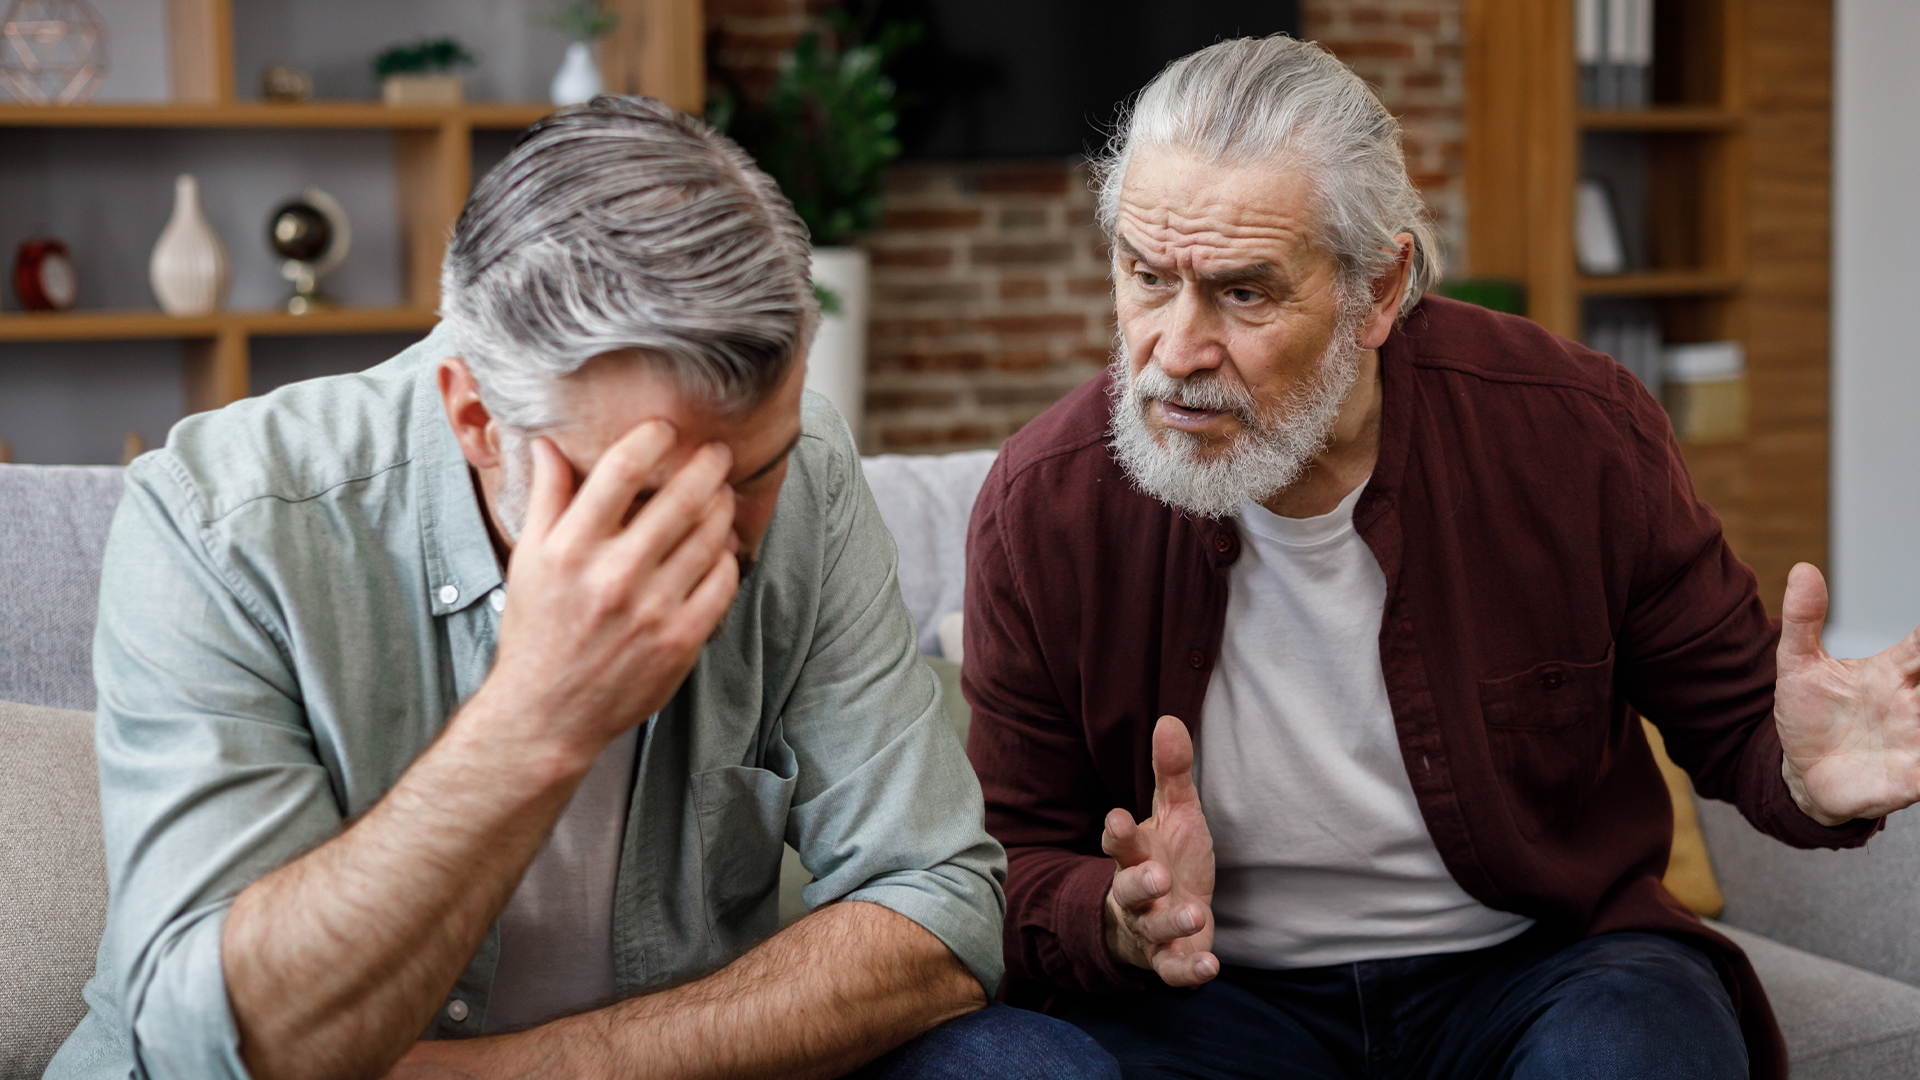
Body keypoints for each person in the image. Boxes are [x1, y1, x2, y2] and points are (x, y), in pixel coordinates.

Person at [46, 97, 1116, 1080]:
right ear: (473, 416)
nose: (714, 536)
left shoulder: (815, 473)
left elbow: (939, 909)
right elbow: (212, 1050)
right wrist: (537, 719)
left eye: (754, 472)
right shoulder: (223, 519)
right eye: (644, 484)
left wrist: (530, 1073)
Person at [962, 36, 1920, 1080]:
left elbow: (1735, 717)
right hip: (1210, 1002)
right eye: (1147, 277)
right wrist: (1113, 919)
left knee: (1634, 1049)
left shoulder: (1575, 431)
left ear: (1381, 288)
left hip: (1542, 966)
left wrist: (1807, 774)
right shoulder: (1043, 505)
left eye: (1242, 294)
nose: (1176, 351)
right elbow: (1003, 865)